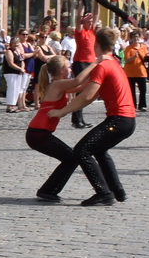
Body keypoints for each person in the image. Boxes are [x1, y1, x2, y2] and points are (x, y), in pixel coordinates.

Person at [52, 28, 137, 205]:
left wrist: (62, 111)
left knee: (82, 150)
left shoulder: (103, 66)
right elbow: (89, 90)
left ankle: (104, 193)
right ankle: (117, 190)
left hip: (118, 120)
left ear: (96, 44)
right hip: (126, 120)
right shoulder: (112, 62)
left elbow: (87, 96)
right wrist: (62, 90)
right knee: (98, 150)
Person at [26, 56, 81, 201]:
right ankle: (47, 191)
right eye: (68, 67)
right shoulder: (58, 84)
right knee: (72, 158)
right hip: (38, 134)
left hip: (39, 133)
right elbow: (78, 81)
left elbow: (82, 86)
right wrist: (96, 64)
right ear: (61, 70)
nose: (70, 69)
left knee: (70, 159)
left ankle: (48, 190)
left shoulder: (59, 84)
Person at [68, 14, 97, 128]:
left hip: (90, 63)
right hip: (81, 62)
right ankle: (76, 120)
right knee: (80, 91)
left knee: (85, 91)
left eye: (91, 22)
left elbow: (96, 14)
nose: (91, 23)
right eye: (88, 21)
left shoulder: (91, 31)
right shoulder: (80, 31)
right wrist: (81, 7)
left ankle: (79, 119)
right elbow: (78, 18)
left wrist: (98, 4)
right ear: (83, 22)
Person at [122, 30, 149, 112]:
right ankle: (133, 105)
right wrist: (134, 57)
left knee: (143, 90)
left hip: (141, 71)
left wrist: (147, 59)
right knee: (131, 91)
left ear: (139, 37)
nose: (135, 38)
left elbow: (146, 56)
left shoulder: (143, 47)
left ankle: (142, 105)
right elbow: (126, 60)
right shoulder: (128, 48)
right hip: (130, 73)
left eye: (137, 36)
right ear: (131, 38)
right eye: (134, 37)